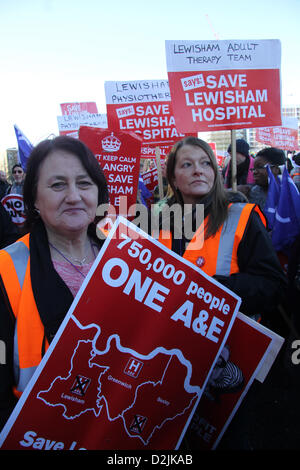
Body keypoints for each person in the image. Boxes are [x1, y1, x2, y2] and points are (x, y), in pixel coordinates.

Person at [0, 135, 109, 431]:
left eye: (84, 183)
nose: (74, 196)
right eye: (58, 185)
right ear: (34, 198)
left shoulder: (129, 256)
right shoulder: (7, 268)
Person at [156, 136, 286, 324]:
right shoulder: (161, 223)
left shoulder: (242, 217)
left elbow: (274, 286)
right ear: (173, 179)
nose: (198, 170)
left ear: (215, 174)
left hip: (229, 344)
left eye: (206, 163)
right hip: (171, 340)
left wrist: (214, 290)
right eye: (186, 165)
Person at [247, 147, 286, 211]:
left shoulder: (291, 193)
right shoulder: (253, 193)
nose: (254, 172)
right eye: (253, 168)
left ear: (276, 169)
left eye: (259, 167)